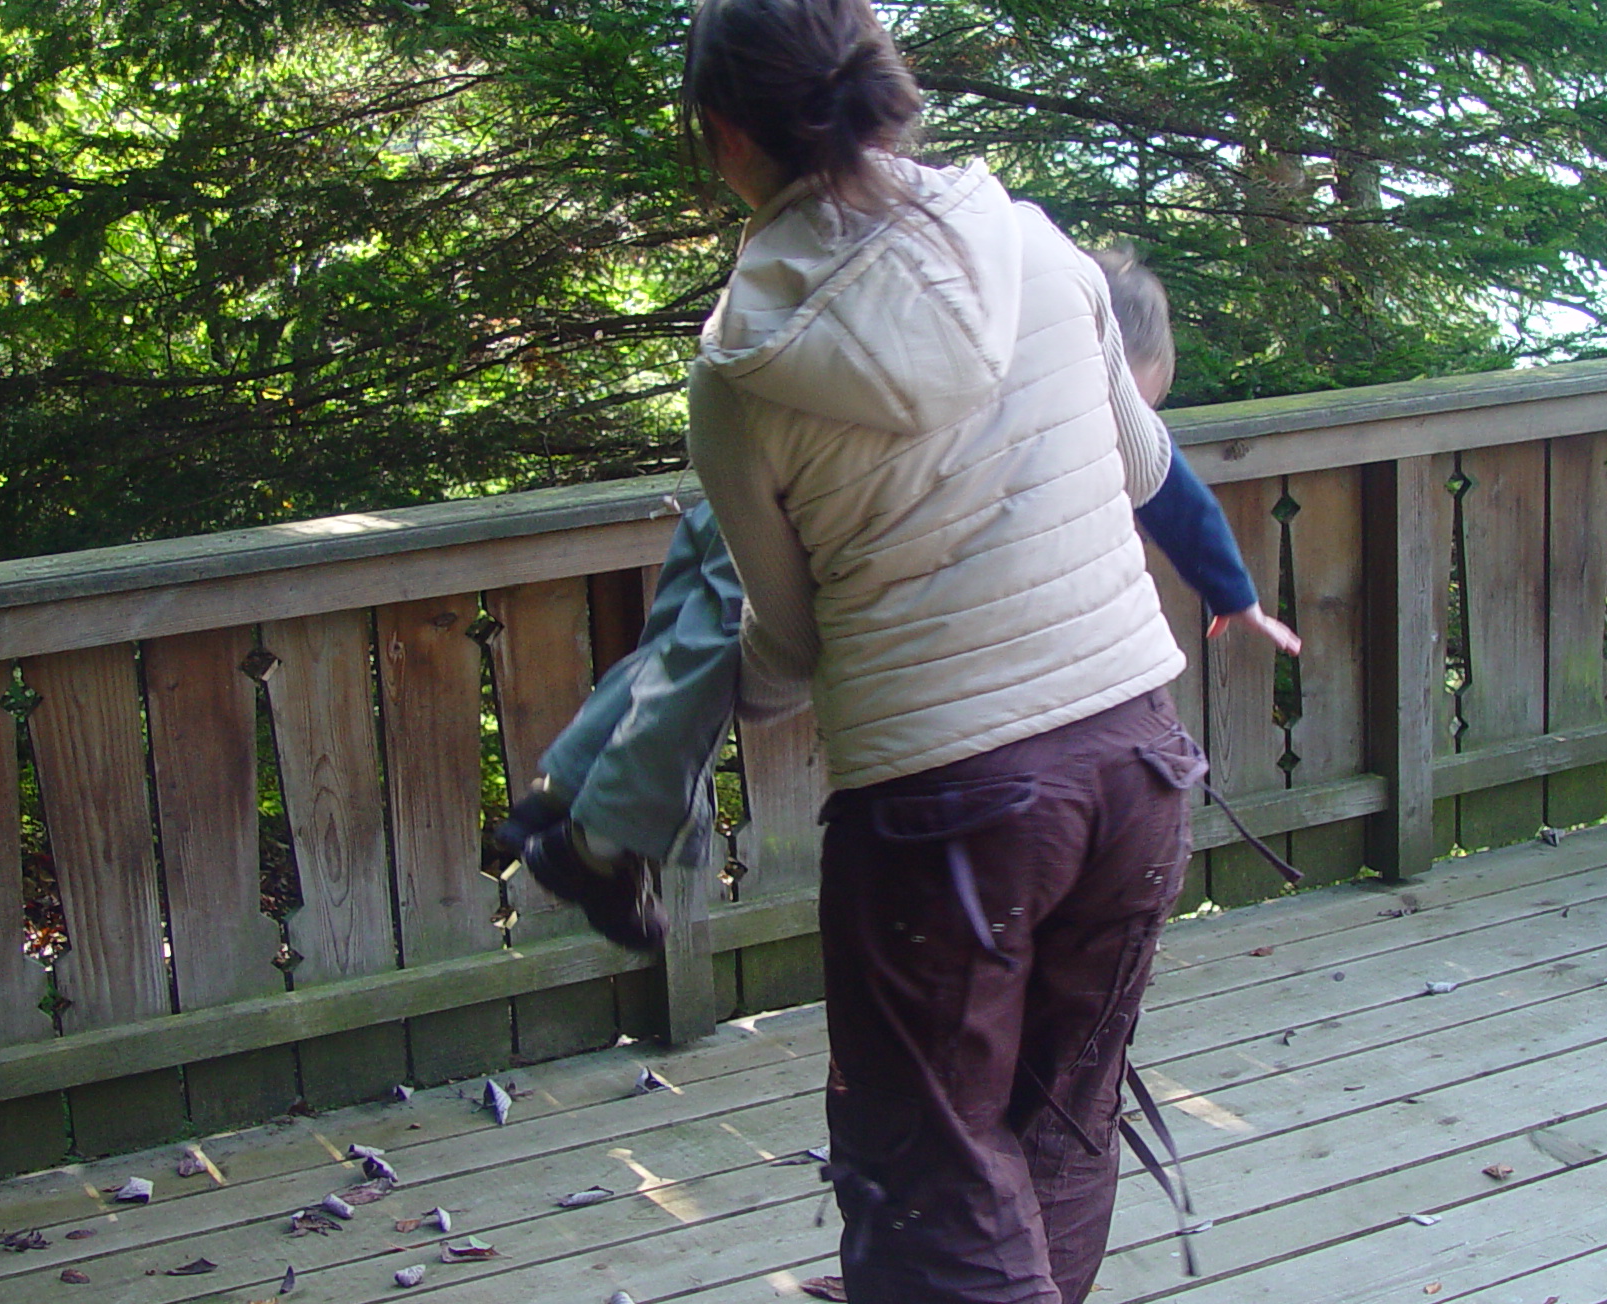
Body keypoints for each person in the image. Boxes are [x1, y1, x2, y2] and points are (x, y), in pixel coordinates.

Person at [674, 0, 1254, 1304]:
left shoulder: (746, 361)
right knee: (1052, 1126)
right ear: (885, 78)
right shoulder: (1036, 244)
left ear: (725, 134)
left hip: (947, 800)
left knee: (937, 1165)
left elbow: (785, 659)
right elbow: (1142, 463)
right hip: (1137, 757)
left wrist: (713, 689)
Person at [499, 247, 1300, 952]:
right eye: (1139, 403)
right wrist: (1233, 590)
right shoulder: (1055, 361)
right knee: (699, 670)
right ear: (1104, 355)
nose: (1129, 426)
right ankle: (598, 846)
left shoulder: (991, 315)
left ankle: (562, 795)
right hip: (782, 507)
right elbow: (1169, 486)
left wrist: (1233, 591)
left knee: (668, 657)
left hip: (744, 485)